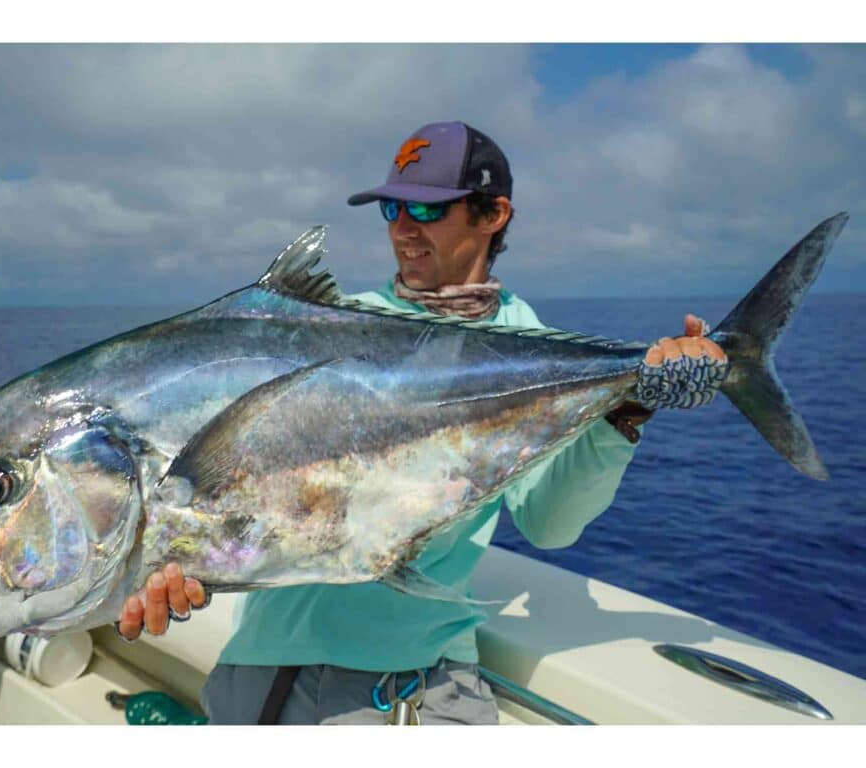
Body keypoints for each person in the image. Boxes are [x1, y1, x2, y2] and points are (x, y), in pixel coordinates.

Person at [114, 121, 727, 724]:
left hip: (439, 675)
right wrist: (166, 556)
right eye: (392, 211)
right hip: (294, 670)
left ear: (493, 215)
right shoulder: (340, 328)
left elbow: (549, 524)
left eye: (427, 211)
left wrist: (623, 410)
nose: (403, 231)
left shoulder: (531, 346)